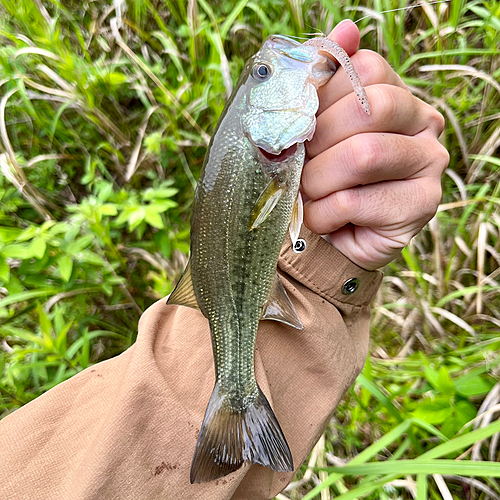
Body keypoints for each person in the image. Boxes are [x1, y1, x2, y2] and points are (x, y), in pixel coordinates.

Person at [0, 20, 448, 500]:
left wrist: (328, 251)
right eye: (263, 73)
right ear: (256, 113)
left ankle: (235, 404)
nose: (275, 64)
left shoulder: (270, 152)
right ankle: (236, 401)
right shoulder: (260, 152)